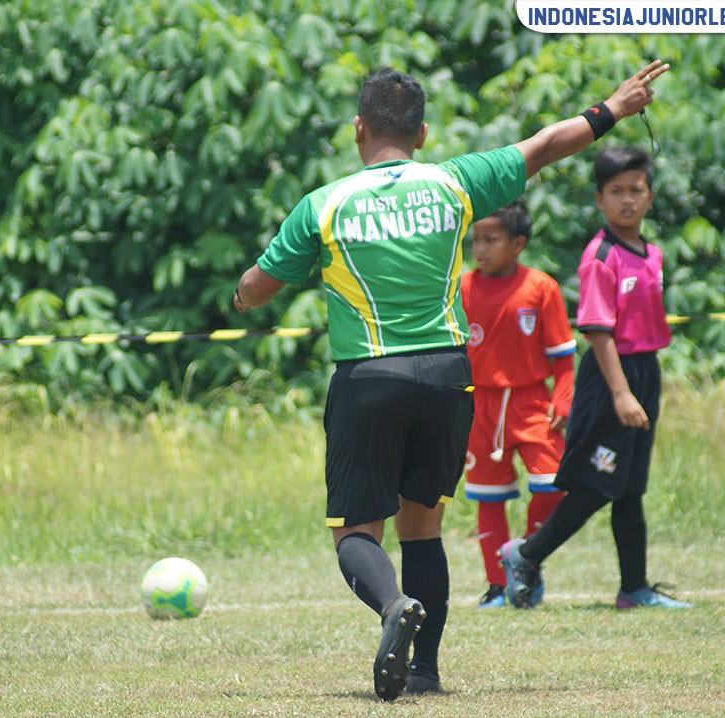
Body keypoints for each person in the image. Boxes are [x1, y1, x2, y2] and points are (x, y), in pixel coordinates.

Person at [233, 62, 669, 699]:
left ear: (359, 128)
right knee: (423, 527)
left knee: (355, 531)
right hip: (447, 376)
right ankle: (425, 672)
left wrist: (241, 299)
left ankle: (390, 606)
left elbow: (257, 285)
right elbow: (546, 144)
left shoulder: (324, 205)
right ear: (424, 132)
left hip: (369, 376)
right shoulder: (453, 182)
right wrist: (612, 107)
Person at [499, 146, 693, 611]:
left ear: (649, 196)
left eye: (636, 190)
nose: (627, 200)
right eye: (616, 191)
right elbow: (599, 331)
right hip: (611, 380)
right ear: (599, 199)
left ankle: (634, 588)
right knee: (596, 484)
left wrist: (640, 387)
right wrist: (622, 394)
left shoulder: (652, 254)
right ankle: (525, 555)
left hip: (645, 371)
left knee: (630, 487)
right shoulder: (599, 256)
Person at [460, 201, 575, 608]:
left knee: (553, 483)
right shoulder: (462, 288)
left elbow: (563, 356)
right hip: (480, 405)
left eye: (491, 240)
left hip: (531, 402)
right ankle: (496, 586)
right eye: (476, 240)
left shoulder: (541, 287)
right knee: (489, 497)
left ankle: (526, 558)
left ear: (518, 244)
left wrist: (562, 401)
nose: (481, 249)